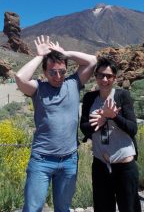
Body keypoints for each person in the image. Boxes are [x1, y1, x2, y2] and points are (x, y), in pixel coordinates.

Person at [15, 35, 96, 212]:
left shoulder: (73, 83)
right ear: (45, 72)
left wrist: (65, 53)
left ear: (66, 70)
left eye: (61, 71)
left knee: (63, 208)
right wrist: (39, 56)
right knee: (32, 208)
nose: (58, 76)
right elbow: (20, 78)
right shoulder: (38, 88)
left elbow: (92, 61)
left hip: (69, 160)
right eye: (52, 72)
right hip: (41, 160)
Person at [80, 57, 141, 212]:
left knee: (129, 208)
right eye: (101, 75)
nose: (104, 79)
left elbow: (133, 128)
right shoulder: (89, 98)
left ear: (115, 78)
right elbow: (84, 128)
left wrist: (113, 116)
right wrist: (100, 122)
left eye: (109, 76)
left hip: (124, 166)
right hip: (101, 165)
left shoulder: (122, 96)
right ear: (96, 76)